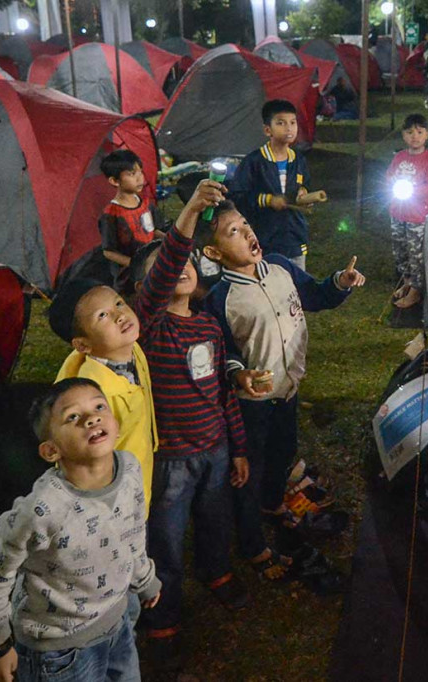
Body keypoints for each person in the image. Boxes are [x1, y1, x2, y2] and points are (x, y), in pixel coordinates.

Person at [199, 202, 365, 585]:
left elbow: (316, 295)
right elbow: (224, 351)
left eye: (245, 224)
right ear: (214, 252)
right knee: (248, 472)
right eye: (233, 232)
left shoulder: (280, 267)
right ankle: (252, 542)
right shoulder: (220, 300)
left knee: (283, 452)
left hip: (289, 390)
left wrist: (340, 281)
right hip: (252, 406)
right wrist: (239, 376)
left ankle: (273, 503)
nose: (247, 233)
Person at [125, 179, 251, 659]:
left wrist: (237, 447)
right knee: (166, 541)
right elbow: (162, 275)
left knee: (215, 520)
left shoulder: (209, 325)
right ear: (143, 290)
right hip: (171, 459)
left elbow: (223, 392)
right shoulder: (150, 328)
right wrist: (191, 214)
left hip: (215, 450)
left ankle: (217, 571)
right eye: (161, 268)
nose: (176, 269)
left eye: (181, 263)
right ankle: (162, 614)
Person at [0, 379, 161, 682]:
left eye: (99, 407)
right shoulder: (41, 510)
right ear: (50, 451)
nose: (91, 418)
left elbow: (132, 532)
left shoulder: (130, 469)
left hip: (118, 624)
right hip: (59, 652)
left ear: (116, 424)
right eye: (73, 417)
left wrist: (143, 578)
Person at [48, 278, 157, 515]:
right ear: (83, 345)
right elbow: (80, 460)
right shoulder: (93, 395)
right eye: (102, 316)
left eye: (118, 303)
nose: (119, 315)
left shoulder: (132, 348)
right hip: (112, 504)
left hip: (139, 479)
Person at [229, 100, 313, 270]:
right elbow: (237, 196)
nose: (289, 128)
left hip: (294, 236)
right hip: (265, 237)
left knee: (298, 284)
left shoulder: (298, 160)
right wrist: (267, 200)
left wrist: (304, 193)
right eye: (281, 123)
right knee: (268, 282)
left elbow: (306, 184)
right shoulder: (254, 162)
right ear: (268, 130)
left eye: (292, 122)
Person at [386, 114, 428, 310]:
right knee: (400, 249)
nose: (414, 136)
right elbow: (389, 176)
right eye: (410, 132)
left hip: (417, 216)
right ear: (403, 135)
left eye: (419, 132)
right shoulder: (399, 157)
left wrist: (412, 190)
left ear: (427, 135)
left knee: (415, 252)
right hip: (397, 212)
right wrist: (393, 183)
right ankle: (407, 281)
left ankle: (417, 290)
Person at [98, 149, 170, 289]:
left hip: (152, 264)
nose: (140, 178)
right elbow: (109, 252)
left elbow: (152, 230)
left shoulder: (145, 202)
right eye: (131, 174)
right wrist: (137, 265)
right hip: (129, 277)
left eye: (140, 172)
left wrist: (170, 241)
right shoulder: (111, 214)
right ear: (114, 181)